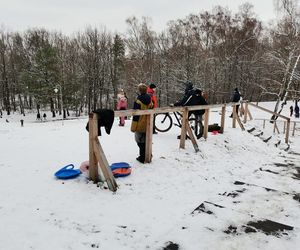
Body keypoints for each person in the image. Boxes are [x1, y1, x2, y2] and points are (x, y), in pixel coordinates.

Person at [131, 83, 153, 163]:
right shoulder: (150, 98)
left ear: (139, 90)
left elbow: (135, 114)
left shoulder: (138, 100)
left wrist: (133, 126)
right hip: (148, 121)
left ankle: (142, 157)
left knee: (139, 141)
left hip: (140, 122)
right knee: (147, 139)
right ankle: (148, 154)